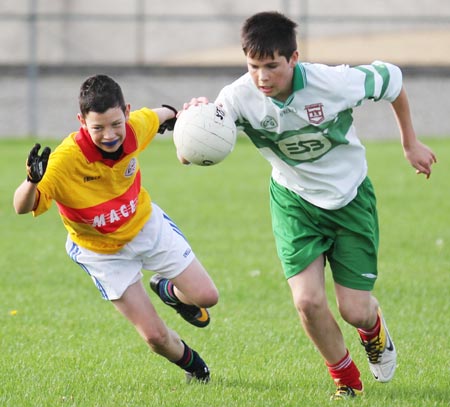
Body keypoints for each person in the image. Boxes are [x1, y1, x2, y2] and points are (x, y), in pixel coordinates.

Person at [182, 11, 437, 400]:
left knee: (355, 310)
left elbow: (393, 80)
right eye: (253, 67)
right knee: (307, 301)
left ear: (294, 59)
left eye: (272, 66)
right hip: (294, 202)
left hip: (350, 199)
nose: (262, 77)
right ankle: (346, 382)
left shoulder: (332, 82)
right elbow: (201, 143)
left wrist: (410, 143)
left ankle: (373, 331)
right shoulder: (238, 97)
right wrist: (194, 123)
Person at [13, 74, 219, 383]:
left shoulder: (136, 125)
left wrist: (192, 115)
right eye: (97, 128)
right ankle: (196, 368)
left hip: (146, 227)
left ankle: (169, 291)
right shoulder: (64, 162)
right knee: (155, 338)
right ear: (81, 121)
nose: (109, 135)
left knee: (207, 297)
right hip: (101, 253)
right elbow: (21, 206)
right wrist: (32, 181)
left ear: (126, 111)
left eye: (115, 124)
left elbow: (167, 114)